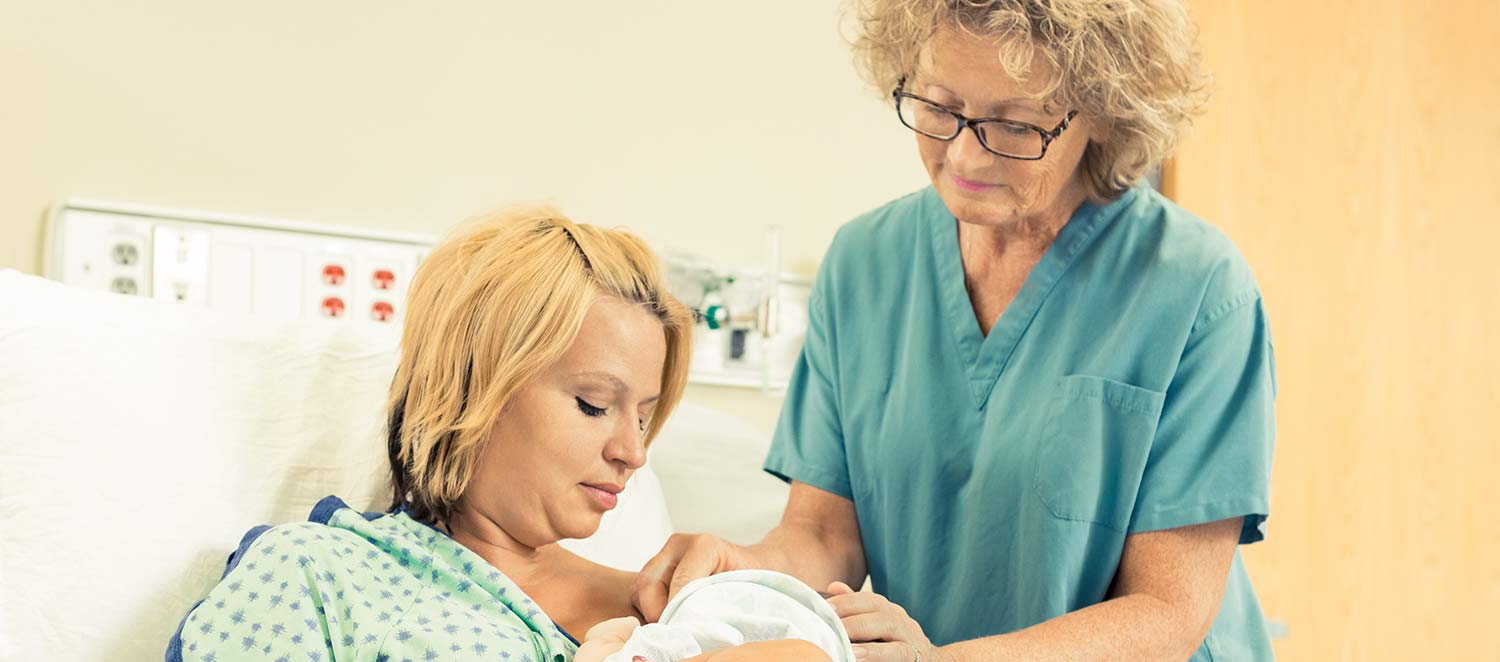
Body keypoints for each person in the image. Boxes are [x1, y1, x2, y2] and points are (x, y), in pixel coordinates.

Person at [633, 1, 1277, 660]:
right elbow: (826, 535)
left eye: (1016, 124)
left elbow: (1168, 612)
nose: (966, 153)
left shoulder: (1196, 288)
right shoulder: (864, 264)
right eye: (940, 108)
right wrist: (740, 568)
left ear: (1106, 114)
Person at [166, 207, 828, 662]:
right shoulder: (316, 577)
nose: (632, 452)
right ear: (473, 390)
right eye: (595, 405)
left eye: (645, 416)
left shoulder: (682, 611)